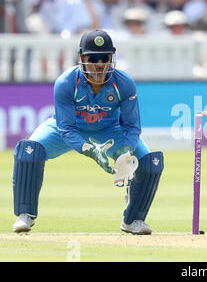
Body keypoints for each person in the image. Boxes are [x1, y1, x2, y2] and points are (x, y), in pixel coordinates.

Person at [11, 30, 164, 235]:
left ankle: (133, 219)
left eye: (105, 58)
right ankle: (25, 215)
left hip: (110, 130)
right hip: (67, 129)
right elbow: (65, 127)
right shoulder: (66, 82)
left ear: (112, 58)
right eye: (93, 58)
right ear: (82, 58)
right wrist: (90, 150)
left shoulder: (124, 83)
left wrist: (125, 152)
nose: (100, 64)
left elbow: (132, 127)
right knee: (29, 150)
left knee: (150, 162)